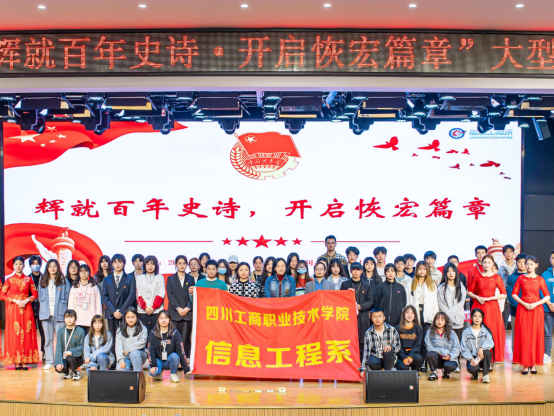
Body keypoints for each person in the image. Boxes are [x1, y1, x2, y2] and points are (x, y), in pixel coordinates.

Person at [512, 255, 551, 374]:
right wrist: (524, 303)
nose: (528, 266)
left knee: (535, 335)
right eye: (527, 264)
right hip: (523, 308)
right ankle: (525, 364)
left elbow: (547, 296)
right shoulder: (521, 278)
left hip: (536, 309)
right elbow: (514, 294)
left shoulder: (540, 279)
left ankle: (533, 364)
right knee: (524, 335)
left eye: (531, 264)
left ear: (536, 265)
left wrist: (535, 304)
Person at [1, 256, 39, 369]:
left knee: (27, 333)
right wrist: (15, 300)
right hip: (14, 309)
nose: (18, 266)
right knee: (15, 334)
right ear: (13, 266)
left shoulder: (28, 279)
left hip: (27, 309)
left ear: (24, 265)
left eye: (20, 264)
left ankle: (25, 360)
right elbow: (2, 295)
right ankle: (17, 361)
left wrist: (27, 300)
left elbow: (35, 294)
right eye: (16, 264)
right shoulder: (9, 280)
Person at [468, 254, 507, 363]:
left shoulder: (496, 277)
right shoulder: (477, 276)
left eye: (489, 262)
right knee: (478, 330)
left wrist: (490, 298)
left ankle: (492, 356)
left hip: (491, 307)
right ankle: (478, 356)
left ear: (493, 264)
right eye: (484, 262)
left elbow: (504, 294)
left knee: (491, 330)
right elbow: (469, 292)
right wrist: (477, 297)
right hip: (479, 305)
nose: (486, 265)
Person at [102, 254, 136, 358]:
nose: (117, 264)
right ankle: (114, 359)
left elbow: (131, 296)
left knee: (126, 336)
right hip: (111, 314)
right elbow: (105, 296)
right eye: (115, 262)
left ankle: (126, 359)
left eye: (120, 262)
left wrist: (121, 311)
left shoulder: (130, 278)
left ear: (124, 264)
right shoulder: (107, 279)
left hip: (125, 314)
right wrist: (113, 311)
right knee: (112, 336)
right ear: (112, 264)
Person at [38, 258, 71, 370]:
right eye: (50, 266)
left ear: (58, 268)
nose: (52, 268)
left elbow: (68, 296)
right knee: (48, 339)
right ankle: (49, 361)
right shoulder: (43, 281)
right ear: (47, 268)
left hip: (60, 313)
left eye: (54, 266)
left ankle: (60, 360)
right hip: (46, 314)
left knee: (61, 339)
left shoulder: (64, 281)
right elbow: (40, 298)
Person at [406, 261, 439, 371]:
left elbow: (435, 303)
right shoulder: (410, 284)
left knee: (425, 340)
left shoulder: (432, 284)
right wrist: (408, 316)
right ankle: (416, 362)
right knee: (416, 340)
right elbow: (407, 302)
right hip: (415, 315)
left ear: (427, 271)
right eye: (420, 269)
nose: (422, 271)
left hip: (428, 315)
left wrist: (435, 317)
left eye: (424, 269)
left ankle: (424, 363)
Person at [341, 262, 374, 359]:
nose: (356, 272)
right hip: (349, 317)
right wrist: (347, 294)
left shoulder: (367, 286)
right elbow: (340, 300)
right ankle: (351, 361)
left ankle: (362, 361)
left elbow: (370, 301)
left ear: (361, 271)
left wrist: (361, 306)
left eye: (358, 270)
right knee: (349, 340)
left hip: (363, 317)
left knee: (362, 341)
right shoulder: (345, 284)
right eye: (354, 270)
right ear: (350, 271)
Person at [148, 310, 190, 383]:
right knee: (154, 373)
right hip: (158, 360)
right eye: (161, 318)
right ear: (158, 320)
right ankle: (159, 373)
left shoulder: (175, 333)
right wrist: (153, 365)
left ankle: (173, 374)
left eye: (166, 318)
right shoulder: (153, 333)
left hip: (169, 360)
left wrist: (186, 369)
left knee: (175, 356)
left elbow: (181, 350)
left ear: (169, 319)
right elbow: (150, 350)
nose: (163, 320)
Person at [167, 255, 195, 357]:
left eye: (184, 263)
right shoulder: (171, 279)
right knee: (173, 338)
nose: (182, 265)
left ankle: (185, 360)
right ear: (175, 264)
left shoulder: (191, 278)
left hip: (187, 313)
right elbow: (170, 296)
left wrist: (187, 308)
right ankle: (174, 359)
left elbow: (193, 295)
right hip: (175, 313)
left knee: (186, 339)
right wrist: (178, 308)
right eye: (179, 263)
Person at [461, 309, 494, 383]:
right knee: (472, 369)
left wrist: (482, 348)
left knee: (487, 353)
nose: (477, 318)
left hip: (482, 356)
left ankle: (485, 375)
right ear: (471, 317)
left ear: (482, 318)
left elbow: (490, 342)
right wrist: (470, 358)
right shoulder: (466, 332)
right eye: (475, 316)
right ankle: (475, 374)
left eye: (480, 316)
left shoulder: (486, 331)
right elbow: (464, 348)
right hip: (472, 357)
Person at [425, 312, 461, 381]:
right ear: (434, 321)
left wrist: (450, 356)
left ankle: (446, 372)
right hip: (436, 358)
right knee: (430, 354)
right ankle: (434, 372)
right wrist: (442, 351)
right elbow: (429, 347)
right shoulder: (429, 332)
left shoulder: (452, 333)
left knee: (450, 366)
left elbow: (457, 348)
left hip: (449, 358)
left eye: (442, 319)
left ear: (445, 321)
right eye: (437, 319)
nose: (439, 321)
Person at [136, 255, 166, 335]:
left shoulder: (160, 277)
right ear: (144, 265)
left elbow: (161, 293)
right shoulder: (139, 278)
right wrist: (145, 308)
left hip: (156, 311)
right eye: (148, 264)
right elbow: (138, 294)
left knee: (156, 333)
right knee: (143, 334)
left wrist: (153, 307)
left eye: (152, 264)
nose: (150, 266)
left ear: (156, 265)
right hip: (142, 311)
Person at [438, 262, 467, 343]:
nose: (451, 273)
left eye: (453, 271)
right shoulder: (441, 288)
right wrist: (450, 318)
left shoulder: (461, 287)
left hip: (458, 321)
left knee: (457, 344)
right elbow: (441, 305)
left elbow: (461, 304)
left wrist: (452, 318)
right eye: (448, 271)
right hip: (446, 322)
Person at [68, 264, 102, 334]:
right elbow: (71, 304)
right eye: (81, 271)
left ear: (89, 273)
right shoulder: (74, 287)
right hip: (78, 321)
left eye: (86, 271)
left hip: (91, 321)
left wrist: (98, 320)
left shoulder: (94, 287)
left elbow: (98, 304)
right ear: (79, 273)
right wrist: (71, 319)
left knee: (90, 340)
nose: (84, 273)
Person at [54, 309, 85, 380]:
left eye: (71, 317)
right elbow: (58, 347)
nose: (69, 319)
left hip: (77, 357)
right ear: (64, 319)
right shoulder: (60, 331)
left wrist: (72, 352)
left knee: (70, 358)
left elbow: (82, 346)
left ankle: (76, 371)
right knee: (58, 368)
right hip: (64, 357)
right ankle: (68, 371)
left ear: (75, 319)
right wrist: (58, 362)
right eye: (67, 317)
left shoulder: (80, 331)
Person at [116, 307, 148, 371]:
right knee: (120, 369)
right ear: (125, 318)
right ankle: (129, 371)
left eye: (133, 317)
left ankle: (137, 373)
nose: (130, 320)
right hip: (125, 356)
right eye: (128, 317)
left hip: (139, 355)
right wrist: (121, 360)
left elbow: (142, 343)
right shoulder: (120, 329)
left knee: (134, 353)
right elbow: (118, 346)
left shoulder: (143, 328)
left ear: (137, 317)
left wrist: (128, 348)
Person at [395, 305, 424, 371]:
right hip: (401, 354)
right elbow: (397, 345)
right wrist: (404, 358)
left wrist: (410, 356)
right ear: (403, 314)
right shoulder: (397, 328)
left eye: (412, 313)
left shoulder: (418, 328)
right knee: (404, 368)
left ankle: (415, 372)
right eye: (407, 312)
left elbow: (417, 345)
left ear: (415, 315)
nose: (409, 315)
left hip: (413, 353)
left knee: (418, 359)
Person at [28, 255, 46, 361]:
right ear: (30, 265)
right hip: (30, 307)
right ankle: (31, 352)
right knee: (30, 331)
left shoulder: (44, 278)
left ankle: (44, 352)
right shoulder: (27, 278)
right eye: (33, 264)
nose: (36, 265)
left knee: (43, 331)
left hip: (42, 307)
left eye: (37, 263)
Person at [506, 253, 528, 331]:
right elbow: (510, 295)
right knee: (515, 333)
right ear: (516, 263)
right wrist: (520, 306)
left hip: (529, 310)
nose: (522, 264)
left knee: (527, 333)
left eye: (524, 262)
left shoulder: (532, 276)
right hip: (515, 310)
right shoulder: (511, 277)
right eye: (519, 262)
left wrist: (529, 306)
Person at [541, 251, 554, 364]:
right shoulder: (545, 274)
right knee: (547, 333)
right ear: (550, 260)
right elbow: (541, 290)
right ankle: (547, 354)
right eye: (553, 258)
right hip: (547, 308)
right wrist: (549, 303)